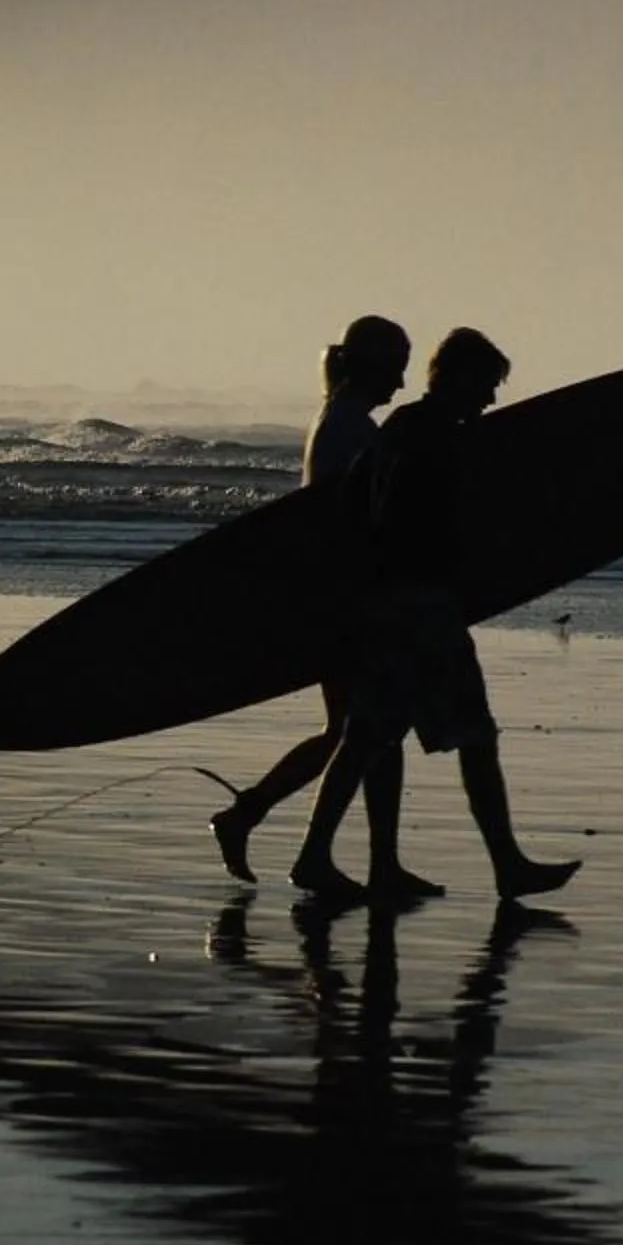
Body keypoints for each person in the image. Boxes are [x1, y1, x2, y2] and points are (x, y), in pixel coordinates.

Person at [287, 327, 582, 904]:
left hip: (383, 603)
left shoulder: (397, 431)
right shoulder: (435, 440)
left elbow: (348, 507)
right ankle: (508, 866)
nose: (492, 400)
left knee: (366, 734)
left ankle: (314, 854)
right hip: (421, 607)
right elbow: (433, 522)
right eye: (489, 386)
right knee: (473, 734)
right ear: (462, 380)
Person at [210, 315, 413, 881]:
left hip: (333, 596)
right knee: (369, 729)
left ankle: (252, 818)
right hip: (343, 600)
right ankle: (340, 857)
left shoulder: (342, 417)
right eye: (396, 367)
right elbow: (350, 522)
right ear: (370, 365)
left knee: (355, 730)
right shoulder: (349, 427)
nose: (401, 383)